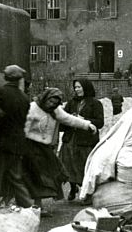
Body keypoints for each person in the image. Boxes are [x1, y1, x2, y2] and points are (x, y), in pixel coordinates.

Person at [23, 88, 97, 217]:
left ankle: (37, 207)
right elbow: (23, 127)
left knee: (49, 175)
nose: (52, 104)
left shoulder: (55, 110)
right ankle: (28, 207)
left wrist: (86, 125)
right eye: (51, 101)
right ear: (45, 98)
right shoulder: (32, 108)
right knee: (33, 176)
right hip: (30, 146)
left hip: (44, 147)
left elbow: (68, 119)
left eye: (56, 102)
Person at [0, 65, 33, 208]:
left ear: (5, 77)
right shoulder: (24, 97)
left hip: (1, 142)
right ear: (19, 79)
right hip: (18, 142)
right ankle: (27, 206)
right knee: (16, 177)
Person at [60, 78, 104, 204]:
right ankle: (73, 188)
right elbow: (63, 118)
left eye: (79, 87)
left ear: (86, 87)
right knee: (68, 165)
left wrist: (83, 119)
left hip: (85, 142)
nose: (76, 89)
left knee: (83, 167)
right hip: (70, 140)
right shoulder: (71, 103)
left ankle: (87, 193)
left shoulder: (95, 104)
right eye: (75, 87)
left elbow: (100, 122)